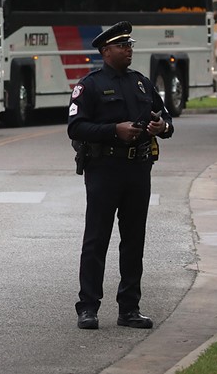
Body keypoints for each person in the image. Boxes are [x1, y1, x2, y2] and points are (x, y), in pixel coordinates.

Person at [67, 21, 174, 331]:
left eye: (130, 45)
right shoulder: (91, 85)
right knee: (97, 239)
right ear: (105, 51)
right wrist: (115, 130)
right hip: (104, 171)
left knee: (133, 240)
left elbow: (165, 118)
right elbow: (75, 128)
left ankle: (129, 308)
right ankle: (88, 307)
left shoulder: (141, 83)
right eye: (122, 46)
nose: (128, 50)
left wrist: (161, 127)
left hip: (138, 170)